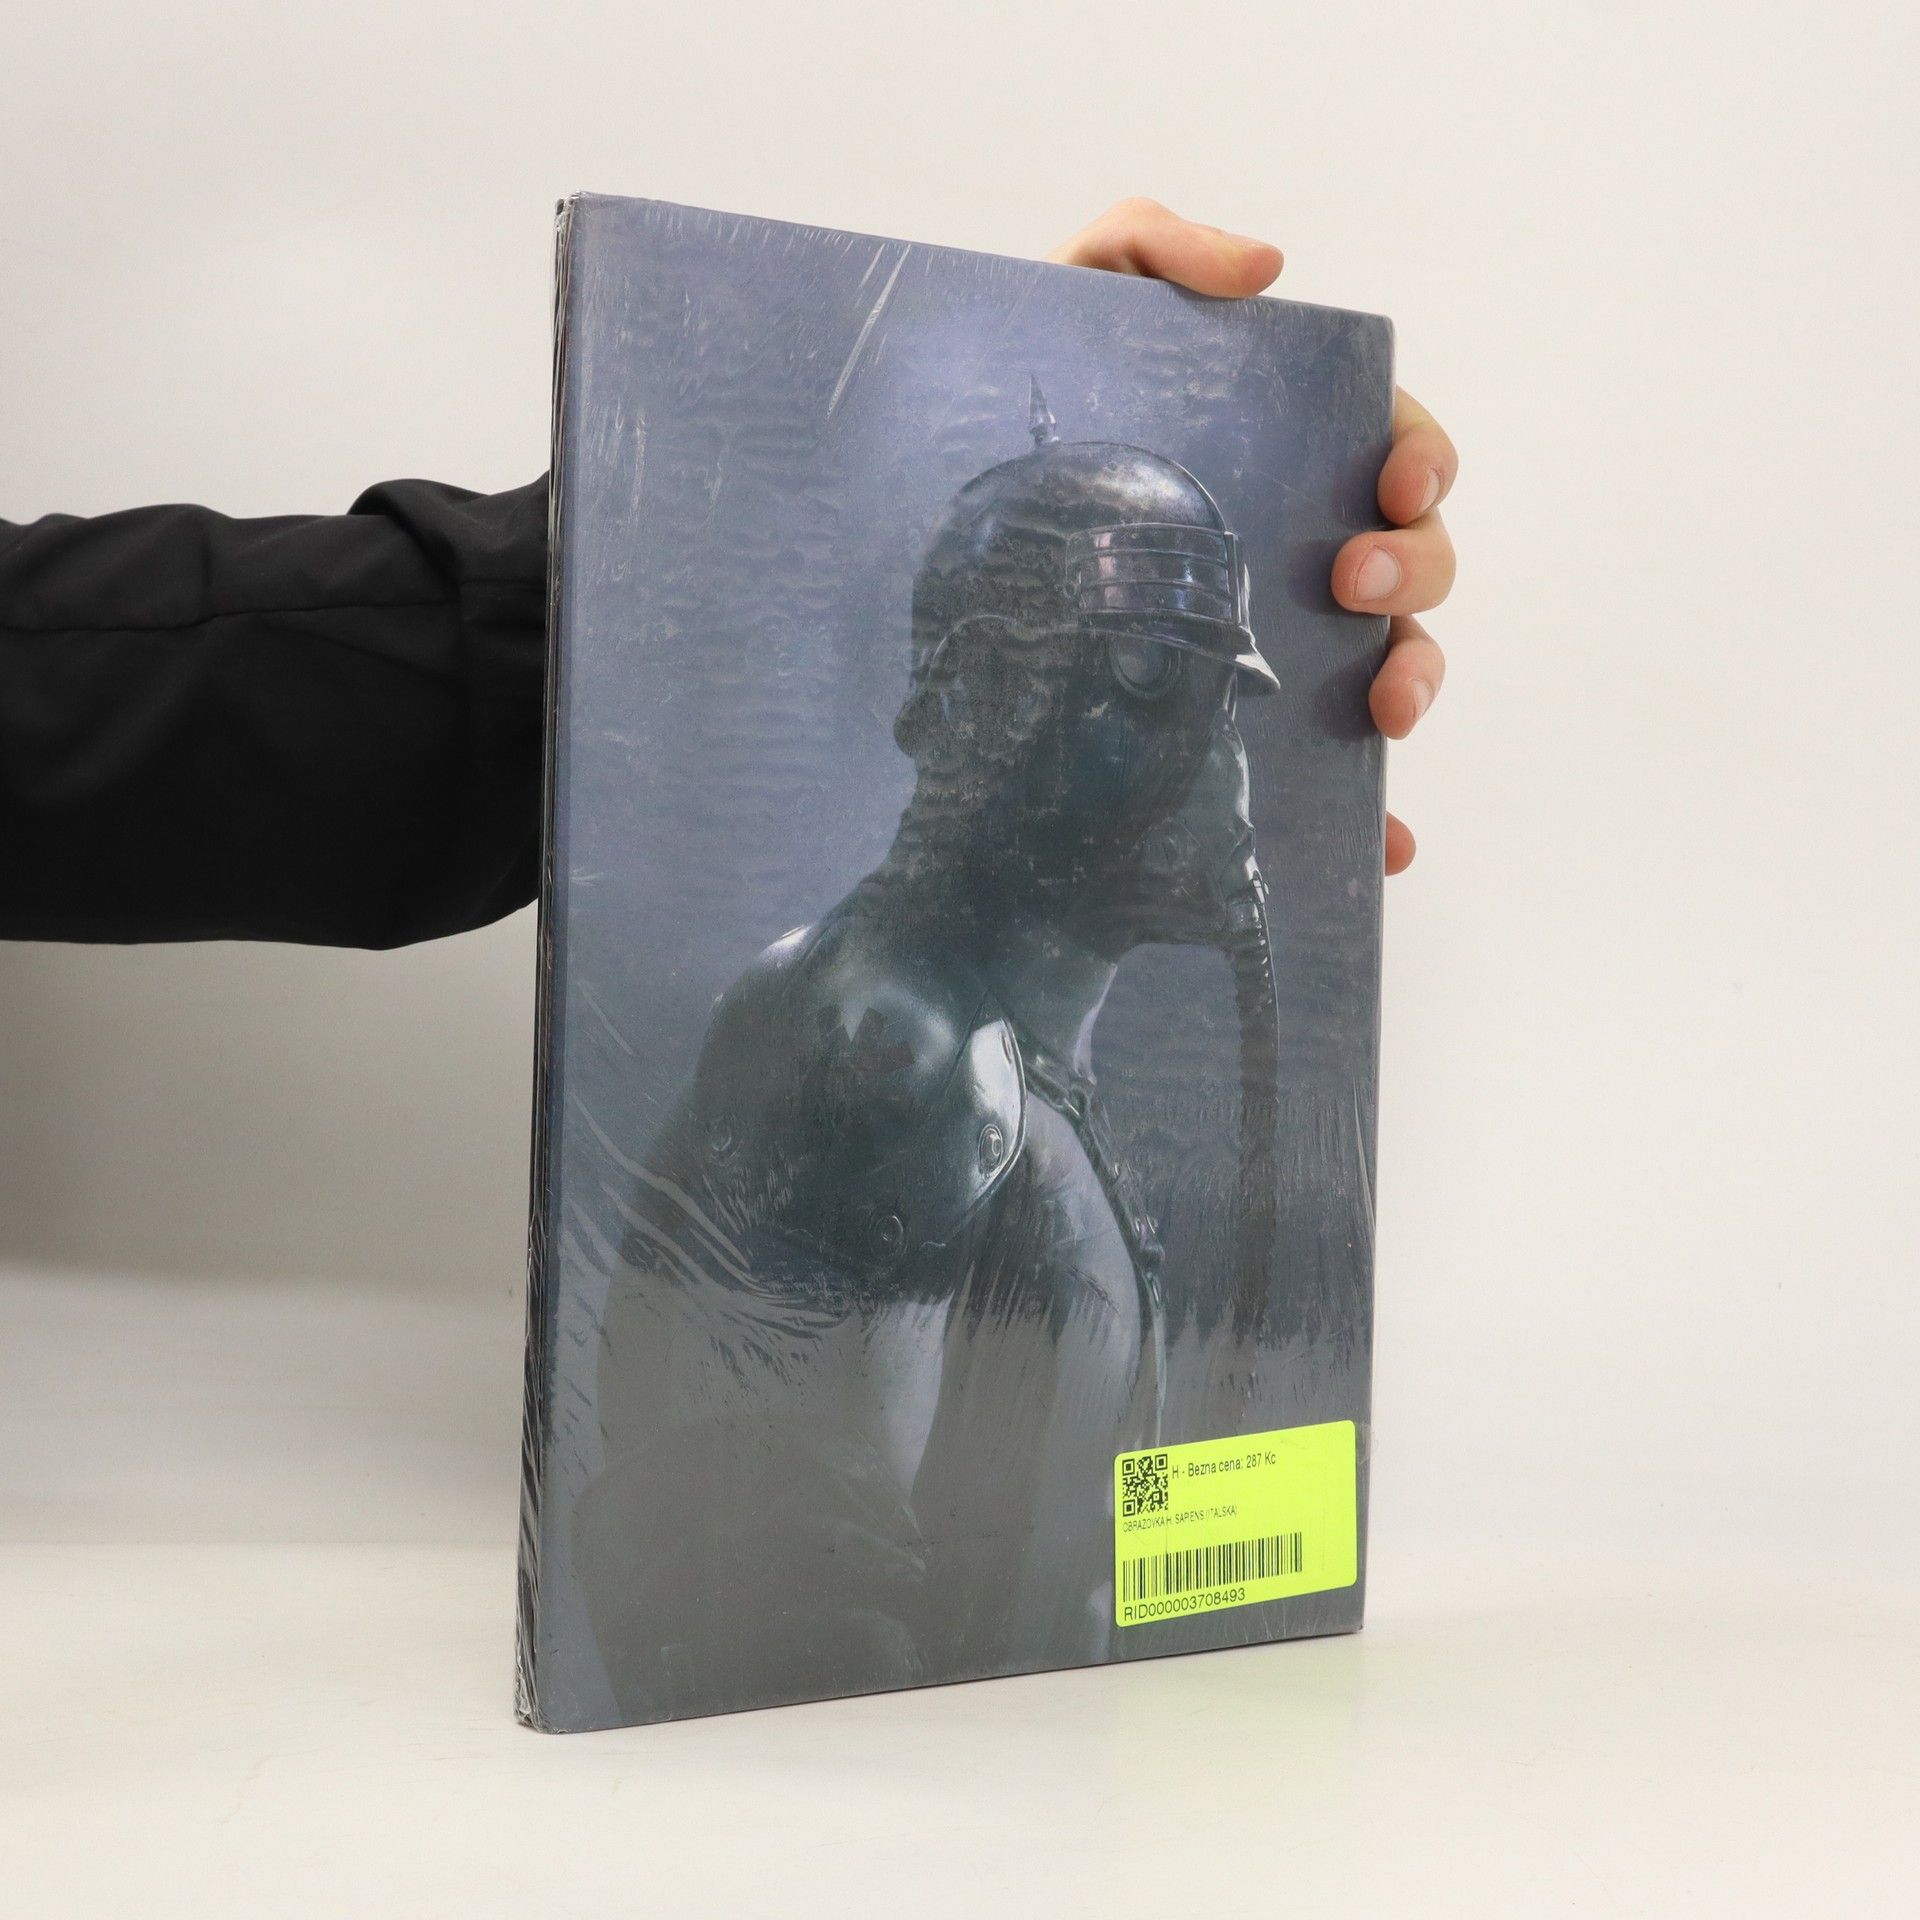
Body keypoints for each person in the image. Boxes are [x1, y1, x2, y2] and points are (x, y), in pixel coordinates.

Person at [0, 198, 1456, 950]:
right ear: (974, 702)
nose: (1214, 762)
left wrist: (690, 576)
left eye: (1200, 696)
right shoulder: (891, 1060)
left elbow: (77, 711)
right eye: (1142, 680)